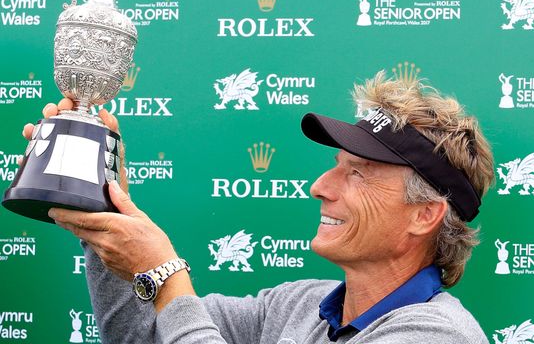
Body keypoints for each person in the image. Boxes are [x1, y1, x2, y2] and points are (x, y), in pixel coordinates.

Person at [27, 73, 495, 343]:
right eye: (337, 164)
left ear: (424, 214)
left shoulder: (437, 335)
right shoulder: (296, 303)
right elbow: (144, 336)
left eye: (358, 172)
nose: (320, 187)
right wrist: (101, 198)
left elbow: (175, 308)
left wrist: (167, 276)